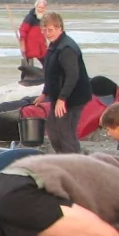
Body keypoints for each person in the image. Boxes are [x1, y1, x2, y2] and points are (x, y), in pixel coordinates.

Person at [34, 12, 91, 153]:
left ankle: (76, 164)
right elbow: (51, 74)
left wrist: (62, 99)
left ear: (60, 28)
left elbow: (72, 75)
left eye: (51, 30)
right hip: (58, 96)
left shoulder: (66, 48)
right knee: (53, 130)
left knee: (66, 133)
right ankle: (62, 159)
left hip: (73, 98)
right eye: (44, 30)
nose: (48, 33)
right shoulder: (54, 45)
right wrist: (44, 93)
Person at [17, 0, 48, 75]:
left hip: (41, 46)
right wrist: (22, 44)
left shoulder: (44, 18)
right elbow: (23, 30)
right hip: (30, 46)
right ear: (36, 7)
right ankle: (24, 79)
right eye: (39, 7)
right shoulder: (29, 17)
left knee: (47, 63)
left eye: (43, 8)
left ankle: (45, 78)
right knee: (27, 66)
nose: (41, 9)